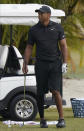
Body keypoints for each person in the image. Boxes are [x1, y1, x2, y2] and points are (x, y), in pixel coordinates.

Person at [22, 5, 68, 128]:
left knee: (55, 90)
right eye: (38, 13)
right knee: (40, 92)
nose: (39, 15)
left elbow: (63, 46)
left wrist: (65, 62)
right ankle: (42, 120)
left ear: (48, 15)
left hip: (55, 64)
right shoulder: (33, 30)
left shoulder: (57, 28)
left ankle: (61, 119)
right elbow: (29, 47)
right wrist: (25, 63)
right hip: (41, 64)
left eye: (41, 13)